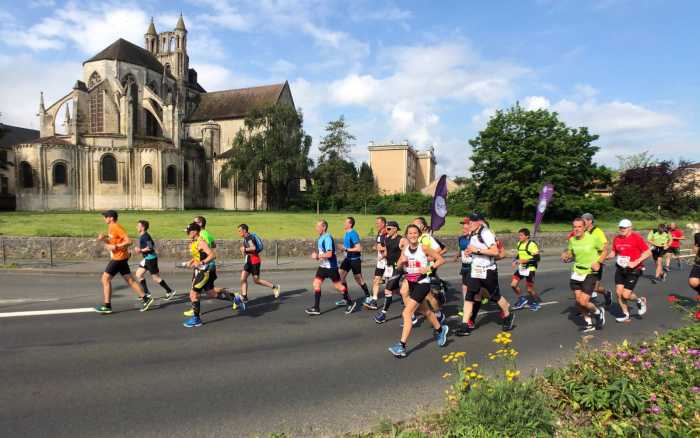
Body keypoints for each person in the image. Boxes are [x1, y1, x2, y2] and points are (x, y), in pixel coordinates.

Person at [388, 224, 449, 358]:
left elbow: (441, 259)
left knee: (407, 313)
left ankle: (401, 346)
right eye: (410, 233)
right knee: (425, 311)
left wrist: (430, 268)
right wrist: (402, 262)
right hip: (411, 283)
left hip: (422, 284)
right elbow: (398, 266)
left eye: (415, 233)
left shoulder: (424, 248)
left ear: (419, 235)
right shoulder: (405, 249)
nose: (413, 235)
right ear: (406, 235)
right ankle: (440, 329)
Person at [454, 212, 515, 336]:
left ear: (478, 222)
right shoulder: (472, 233)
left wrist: (476, 250)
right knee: (469, 296)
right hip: (475, 269)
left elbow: (494, 251)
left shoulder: (485, 233)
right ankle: (465, 325)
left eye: (470, 222)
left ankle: (508, 315)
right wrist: (468, 252)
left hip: (488, 270)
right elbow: (473, 248)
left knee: (495, 296)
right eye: (467, 222)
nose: (468, 224)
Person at [95, 210, 154, 314]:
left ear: (111, 218)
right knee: (130, 280)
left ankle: (107, 306)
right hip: (121, 258)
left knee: (105, 279)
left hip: (118, 258)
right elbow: (113, 241)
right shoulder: (111, 227)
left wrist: (116, 246)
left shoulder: (116, 227)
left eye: (106, 216)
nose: (104, 218)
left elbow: (129, 241)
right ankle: (146, 299)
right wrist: (104, 239)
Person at [561, 217, 607, 333]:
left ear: (584, 227)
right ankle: (589, 323)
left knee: (583, 301)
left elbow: (605, 250)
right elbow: (571, 252)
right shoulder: (572, 240)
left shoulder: (593, 238)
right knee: (578, 300)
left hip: (590, 273)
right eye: (575, 227)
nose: (576, 229)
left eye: (579, 227)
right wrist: (567, 256)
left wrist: (598, 262)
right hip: (577, 272)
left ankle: (598, 312)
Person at [306, 220, 356, 315]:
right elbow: (323, 254)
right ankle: (316, 308)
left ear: (324, 227)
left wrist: (317, 256)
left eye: (318, 226)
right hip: (323, 266)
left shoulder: (327, 238)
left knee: (338, 286)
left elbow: (329, 254)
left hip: (331, 267)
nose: (316, 228)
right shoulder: (321, 237)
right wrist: (318, 257)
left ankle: (350, 302)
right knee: (316, 284)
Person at [608, 219, 650, 323]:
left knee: (625, 295)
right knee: (618, 293)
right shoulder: (617, 238)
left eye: (624, 227)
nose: (622, 229)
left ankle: (639, 300)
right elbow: (614, 252)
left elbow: (648, 252)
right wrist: (603, 257)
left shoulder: (637, 238)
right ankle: (626, 315)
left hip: (634, 269)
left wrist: (636, 262)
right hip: (620, 268)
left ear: (630, 228)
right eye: (620, 227)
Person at [413, 217, 447, 325]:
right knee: (416, 293)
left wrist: (431, 257)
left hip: (426, 269)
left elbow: (439, 249)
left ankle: (437, 313)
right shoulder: (416, 238)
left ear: (423, 226)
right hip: (416, 269)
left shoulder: (426, 237)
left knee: (426, 295)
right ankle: (413, 314)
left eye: (417, 224)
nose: (415, 226)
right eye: (413, 224)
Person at [183, 222, 216, 327]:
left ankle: (196, 319)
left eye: (188, 232)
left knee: (193, 294)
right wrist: (191, 261)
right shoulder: (194, 241)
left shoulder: (201, 242)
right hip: (200, 270)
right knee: (211, 293)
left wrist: (201, 263)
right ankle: (234, 298)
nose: (187, 233)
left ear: (194, 232)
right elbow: (198, 255)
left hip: (205, 271)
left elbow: (212, 255)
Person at [134, 220, 176, 300]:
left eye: (138, 226)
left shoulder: (145, 236)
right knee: (138, 274)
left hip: (151, 259)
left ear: (142, 227)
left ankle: (170, 291)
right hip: (147, 258)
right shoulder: (143, 235)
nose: (136, 227)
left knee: (156, 278)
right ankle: (146, 293)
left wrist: (140, 250)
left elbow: (150, 247)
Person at [373, 221, 407, 323]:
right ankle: (410, 305)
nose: (386, 230)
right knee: (396, 290)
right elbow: (387, 252)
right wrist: (382, 257)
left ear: (395, 229)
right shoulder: (386, 239)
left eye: (389, 229)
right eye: (386, 228)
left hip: (398, 268)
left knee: (387, 290)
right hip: (390, 267)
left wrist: (401, 264)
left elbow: (406, 253)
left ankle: (383, 314)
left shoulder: (401, 240)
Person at [238, 224, 281, 300]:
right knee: (243, 278)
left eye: (239, 231)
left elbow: (253, 248)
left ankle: (275, 287)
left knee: (256, 280)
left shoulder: (249, 238)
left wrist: (245, 249)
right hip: (249, 260)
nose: (238, 232)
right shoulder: (246, 238)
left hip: (255, 261)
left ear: (244, 230)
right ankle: (244, 296)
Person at [581, 213, 613, 307]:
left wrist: (599, 260)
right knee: (582, 286)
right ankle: (583, 307)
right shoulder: (584, 231)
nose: (582, 223)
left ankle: (606, 293)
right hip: (585, 263)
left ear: (590, 221)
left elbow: (605, 245)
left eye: (584, 221)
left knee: (594, 288)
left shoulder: (597, 231)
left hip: (596, 263)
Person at [338, 217, 371, 306]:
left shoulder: (353, 234)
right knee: (340, 277)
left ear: (350, 224)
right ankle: (345, 298)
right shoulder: (346, 233)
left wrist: (346, 249)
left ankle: (368, 296)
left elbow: (358, 248)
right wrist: (343, 249)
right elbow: (348, 248)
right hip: (347, 259)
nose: (344, 224)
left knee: (358, 279)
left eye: (345, 223)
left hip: (355, 260)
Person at [455, 217, 480, 331]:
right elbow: (461, 248)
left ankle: (470, 314)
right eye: (463, 226)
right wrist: (458, 255)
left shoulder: (475, 238)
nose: (463, 228)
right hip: (464, 267)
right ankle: (467, 309)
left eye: (466, 226)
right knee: (465, 288)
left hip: (473, 267)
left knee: (474, 292)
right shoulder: (461, 238)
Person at [510, 228, 541, 311]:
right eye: (519, 235)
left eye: (521, 235)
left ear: (527, 236)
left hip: (530, 268)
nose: (519, 237)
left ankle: (536, 302)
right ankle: (522, 299)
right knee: (513, 285)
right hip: (522, 268)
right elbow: (519, 254)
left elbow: (537, 258)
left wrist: (525, 260)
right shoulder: (519, 244)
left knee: (529, 290)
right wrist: (515, 261)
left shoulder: (532, 245)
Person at [366, 217, 388, 310]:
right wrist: (376, 247)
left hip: (388, 262)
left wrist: (381, 249)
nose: (377, 225)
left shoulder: (387, 233)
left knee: (394, 288)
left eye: (378, 223)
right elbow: (378, 244)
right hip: (381, 262)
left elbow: (390, 246)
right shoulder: (379, 233)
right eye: (376, 223)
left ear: (384, 223)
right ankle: (374, 301)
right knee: (376, 280)